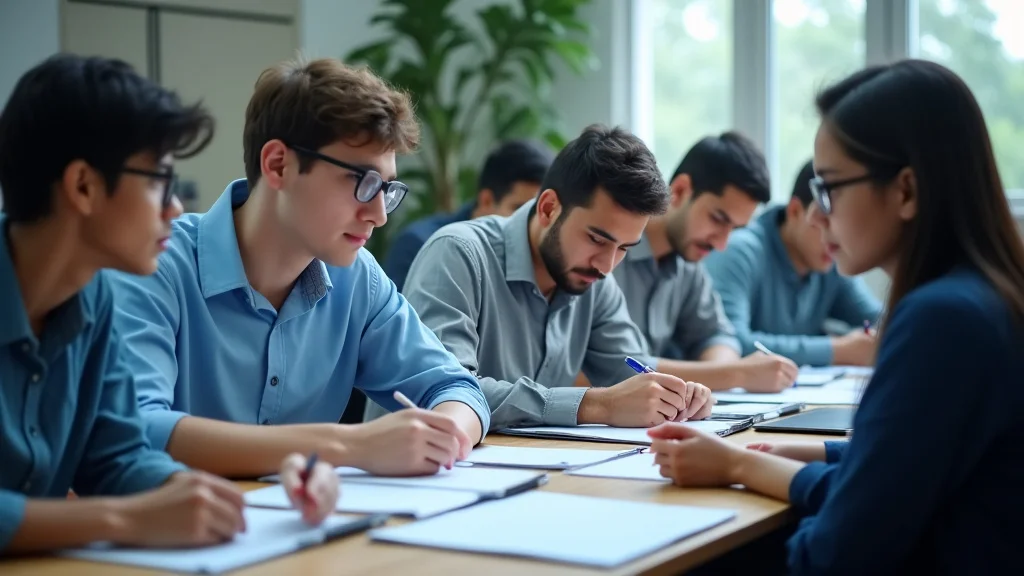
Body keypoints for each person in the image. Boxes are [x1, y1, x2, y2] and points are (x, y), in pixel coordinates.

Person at [647, 59, 1024, 574]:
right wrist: (809, 455)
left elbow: (836, 553)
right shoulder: (986, 295)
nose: (817, 214)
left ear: (907, 191)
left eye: (829, 187)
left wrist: (740, 463)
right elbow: (902, 473)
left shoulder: (943, 319)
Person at [0, 55, 337, 554]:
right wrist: (120, 517)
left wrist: (196, 493)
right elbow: (117, 501)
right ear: (83, 186)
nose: (175, 207)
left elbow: (117, 458)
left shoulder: (92, 300)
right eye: (159, 180)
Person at [110, 56, 490, 479]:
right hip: (168, 534)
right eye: (363, 183)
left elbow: (455, 387)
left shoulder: (357, 277)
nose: (379, 215)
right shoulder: (155, 264)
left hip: (302, 531)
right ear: (277, 165)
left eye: (387, 189)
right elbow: (136, 429)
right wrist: (345, 446)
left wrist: (444, 435)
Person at [366, 124, 714, 429]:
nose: (607, 265)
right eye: (596, 239)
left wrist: (675, 397)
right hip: (414, 482)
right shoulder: (458, 253)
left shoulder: (596, 281)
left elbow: (632, 374)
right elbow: (449, 390)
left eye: (624, 247)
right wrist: (599, 405)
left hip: (524, 473)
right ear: (549, 208)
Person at [613, 133, 799, 392]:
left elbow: (716, 336)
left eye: (735, 228)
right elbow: (609, 366)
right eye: (718, 219)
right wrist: (736, 375)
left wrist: (723, 374)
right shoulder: (607, 254)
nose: (721, 244)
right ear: (679, 190)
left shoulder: (688, 263)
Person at [703, 159, 883, 367]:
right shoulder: (739, 251)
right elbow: (729, 344)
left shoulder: (831, 258)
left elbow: (879, 319)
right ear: (795, 211)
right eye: (826, 222)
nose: (837, 238)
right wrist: (839, 350)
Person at [384, 139, 554, 292]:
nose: (533, 223)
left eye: (541, 211)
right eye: (520, 210)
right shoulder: (420, 245)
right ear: (486, 201)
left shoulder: (538, 264)